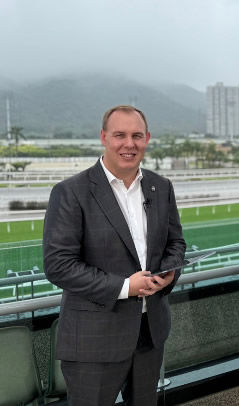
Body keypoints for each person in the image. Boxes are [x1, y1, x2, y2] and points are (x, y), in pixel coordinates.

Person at [43, 105, 186, 405]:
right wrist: (125, 287)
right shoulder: (71, 192)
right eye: (119, 135)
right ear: (103, 137)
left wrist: (170, 272)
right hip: (93, 343)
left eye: (136, 135)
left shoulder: (161, 187)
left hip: (149, 336)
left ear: (147, 138)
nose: (129, 144)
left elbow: (176, 244)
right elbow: (58, 265)